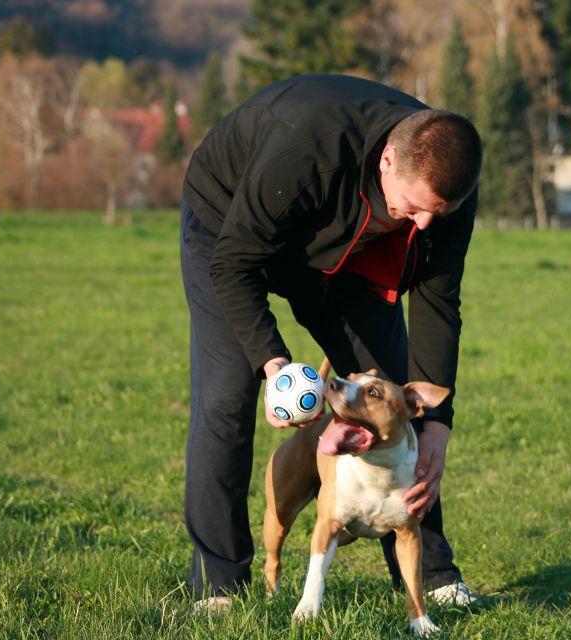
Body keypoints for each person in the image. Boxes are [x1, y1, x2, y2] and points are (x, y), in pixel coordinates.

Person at [179, 74, 483, 613]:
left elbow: (438, 303)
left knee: (387, 396)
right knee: (226, 396)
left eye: (439, 212)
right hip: (229, 228)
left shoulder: (446, 181)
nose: (426, 224)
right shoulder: (307, 149)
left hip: (345, 251)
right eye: (414, 208)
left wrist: (437, 423)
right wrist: (272, 364)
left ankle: (431, 575)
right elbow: (234, 264)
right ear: (388, 160)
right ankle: (220, 585)